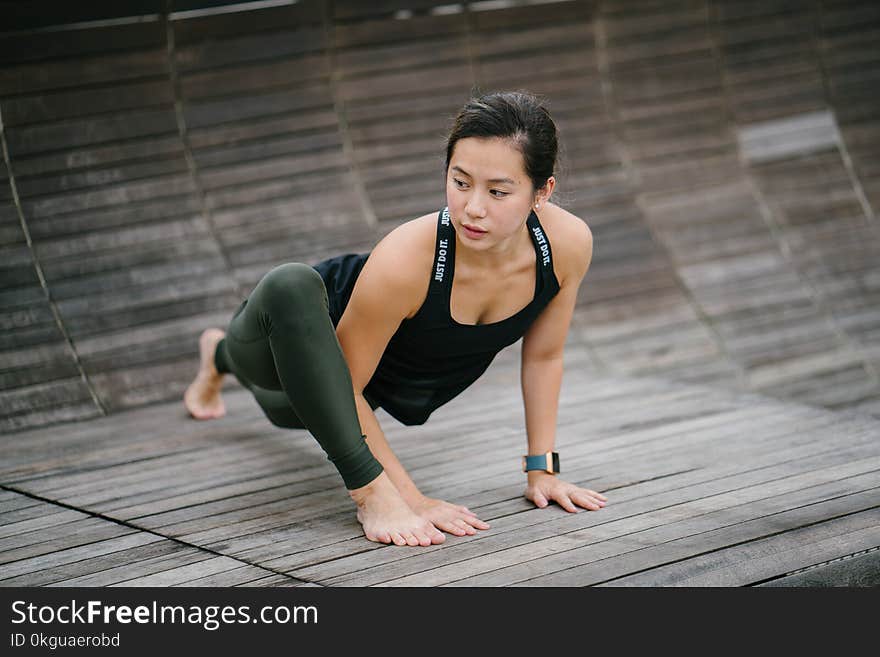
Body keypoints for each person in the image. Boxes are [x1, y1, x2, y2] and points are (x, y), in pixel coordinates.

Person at [183, 90, 607, 548]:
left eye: (499, 191)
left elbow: (543, 357)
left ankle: (214, 356)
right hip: (293, 330)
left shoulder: (566, 246)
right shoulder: (408, 257)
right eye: (460, 182)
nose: (473, 207)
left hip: (368, 381)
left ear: (542, 191)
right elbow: (344, 385)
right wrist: (407, 497)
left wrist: (542, 471)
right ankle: (225, 352)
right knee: (290, 291)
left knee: (288, 414)